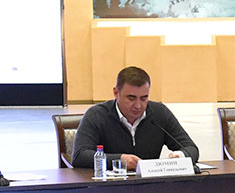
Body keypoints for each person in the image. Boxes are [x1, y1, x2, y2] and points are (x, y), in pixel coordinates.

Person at [69, 66, 200, 172]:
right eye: (131, 98)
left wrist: (179, 156)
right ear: (116, 93)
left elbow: (191, 148)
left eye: (144, 98)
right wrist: (120, 160)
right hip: (108, 188)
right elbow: (80, 156)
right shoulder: (97, 115)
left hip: (150, 187)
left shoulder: (159, 113)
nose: (138, 105)